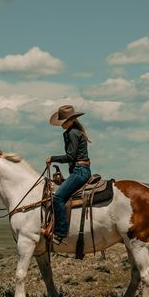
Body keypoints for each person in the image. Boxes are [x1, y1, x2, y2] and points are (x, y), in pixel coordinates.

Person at [46, 104, 92, 243]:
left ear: (71, 120)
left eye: (63, 122)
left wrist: (52, 158)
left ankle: (60, 233)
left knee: (58, 198)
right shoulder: (76, 132)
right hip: (81, 170)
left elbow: (70, 156)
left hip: (79, 171)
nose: (61, 125)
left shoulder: (72, 133)